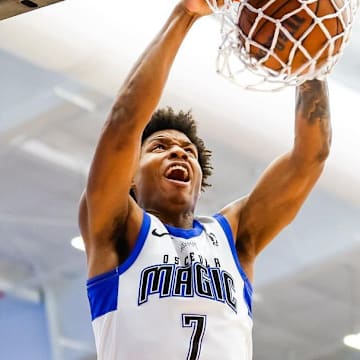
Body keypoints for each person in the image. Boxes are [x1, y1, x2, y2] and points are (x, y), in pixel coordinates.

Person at [78, 0, 331, 359]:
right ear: (129, 176)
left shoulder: (233, 236)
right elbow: (124, 121)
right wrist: (186, 13)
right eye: (160, 147)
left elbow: (310, 158)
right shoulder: (117, 228)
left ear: (199, 178)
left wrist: (310, 61)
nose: (179, 152)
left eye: (188, 151)